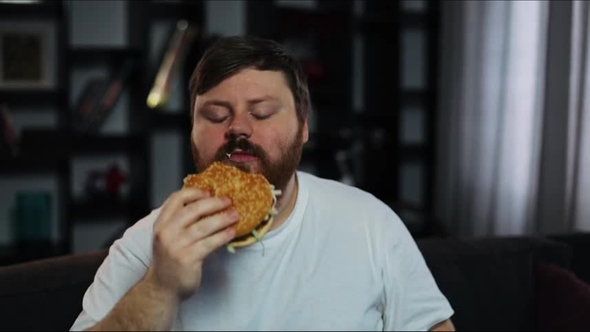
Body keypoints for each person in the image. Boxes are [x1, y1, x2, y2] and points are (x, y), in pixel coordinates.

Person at [70, 35, 455, 331]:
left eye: (262, 112)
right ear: (192, 132)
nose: (238, 127)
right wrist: (159, 287)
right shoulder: (146, 244)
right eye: (216, 114)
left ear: (303, 127)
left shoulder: (370, 222)